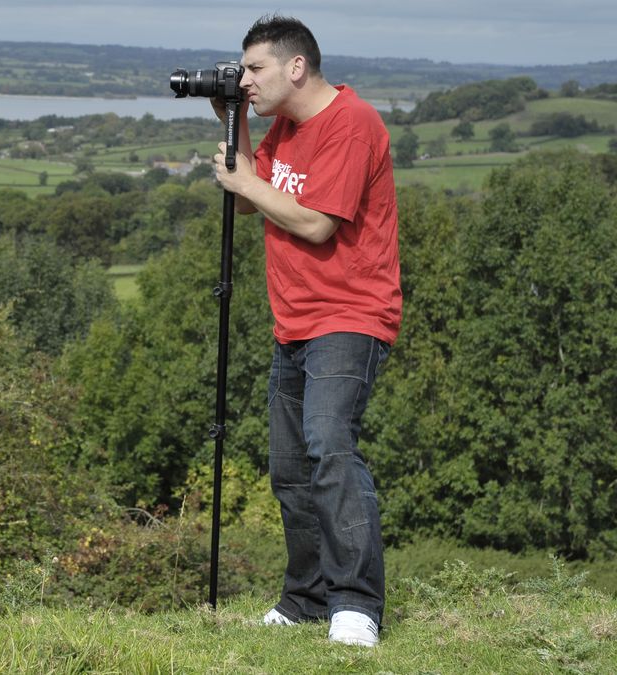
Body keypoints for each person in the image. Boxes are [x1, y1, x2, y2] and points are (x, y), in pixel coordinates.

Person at [210, 14, 402, 647]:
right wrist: (232, 121)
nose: (247, 79)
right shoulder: (283, 129)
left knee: (330, 448)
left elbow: (318, 224)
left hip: (349, 314)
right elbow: (249, 197)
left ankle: (356, 606)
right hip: (293, 319)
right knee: (290, 468)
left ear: (296, 67)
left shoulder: (351, 123)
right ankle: (305, 599)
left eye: (255, 69)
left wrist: (245, 180)